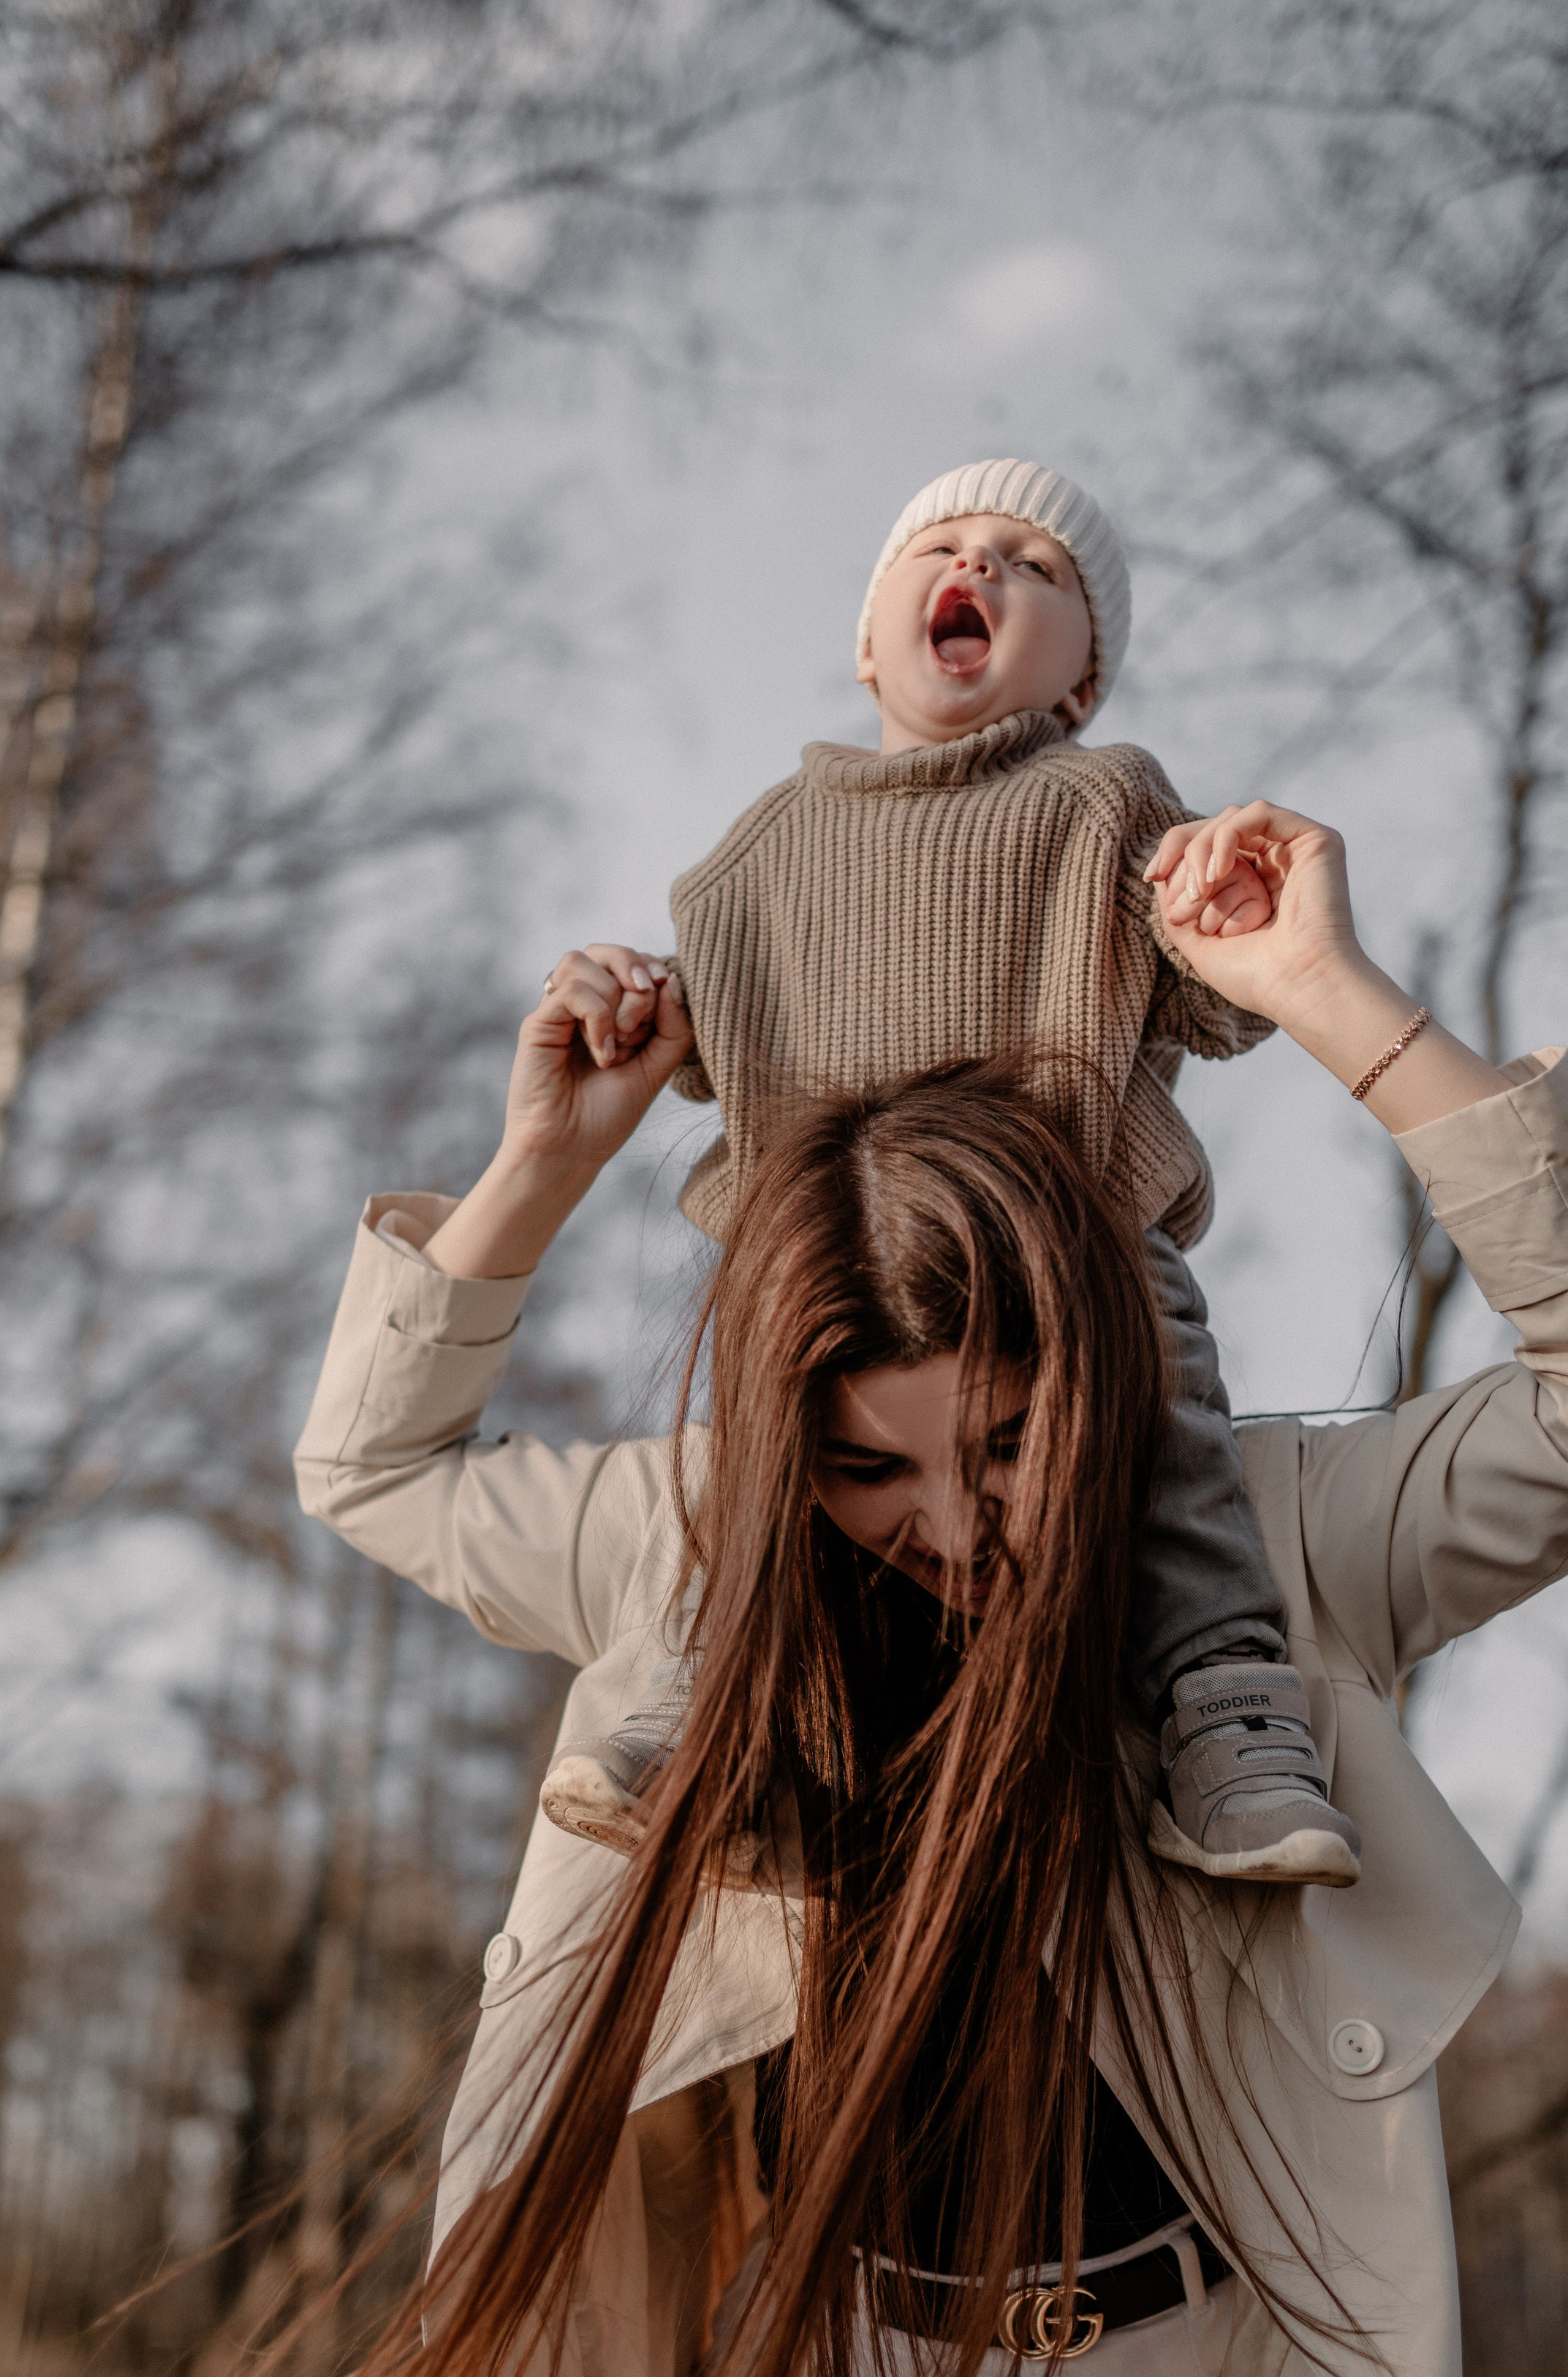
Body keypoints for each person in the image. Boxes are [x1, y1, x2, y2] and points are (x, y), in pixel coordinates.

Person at [292, 796, 1561, 2377]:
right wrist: (539, 1165)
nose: (952, 1525)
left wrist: (1336, 1001)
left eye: (1007, 1441)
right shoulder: (688, 1554)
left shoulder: (1275, 1531)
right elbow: (374, 1468)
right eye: (871, 1471)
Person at [539, 458, 1360, 1888]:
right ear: (869, 639)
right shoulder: (755, 858)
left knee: (1171, 1452)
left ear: (1080, 682)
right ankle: (698, 1716)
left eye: (1036, 568)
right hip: (834, 1268)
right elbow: (707, 1045)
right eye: (942, 545)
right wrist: (632, 1005)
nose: (981, 563)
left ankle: (1229, 1722)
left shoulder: (1101, 808)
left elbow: (1215, 1003)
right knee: (749, 1468)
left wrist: (1231, 915)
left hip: (1079, 1244)